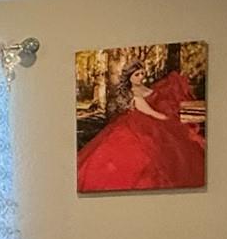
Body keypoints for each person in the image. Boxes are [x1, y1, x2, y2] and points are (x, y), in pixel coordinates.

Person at [76, 64, 205, 191]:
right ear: (129, 77)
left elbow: (156, 96)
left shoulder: (144, 88)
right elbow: (152, 113)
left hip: (150, 122)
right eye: (136, 75)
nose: (141, 77)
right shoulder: (134, 94)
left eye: (142, 73)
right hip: (139, 124)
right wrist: (170, 119)